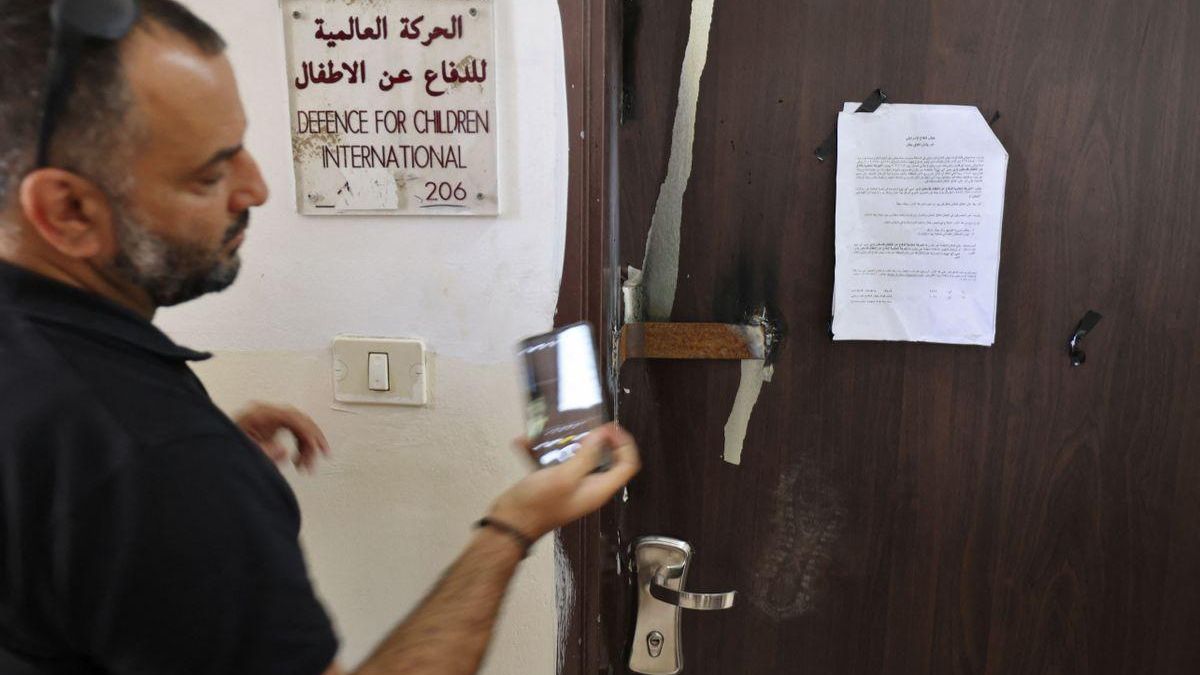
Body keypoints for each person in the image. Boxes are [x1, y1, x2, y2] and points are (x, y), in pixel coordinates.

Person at [0, 1, 641, 674]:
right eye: (211, 173)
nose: (258, 187)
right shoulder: (157, 464)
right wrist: (510, 529)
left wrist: (181, 451)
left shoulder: (108, 430)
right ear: (68, 210)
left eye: (243, 145)